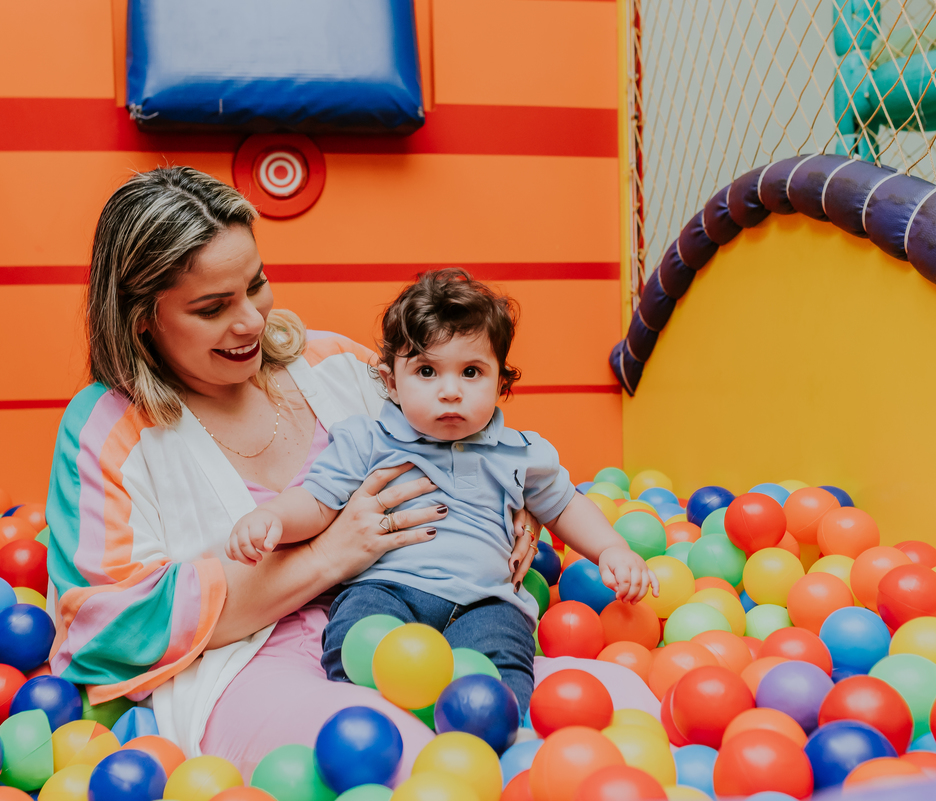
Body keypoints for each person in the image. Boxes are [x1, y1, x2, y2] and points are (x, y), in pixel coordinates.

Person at [45, 165, 658, 780]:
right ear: (141, 317)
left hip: (444, 629)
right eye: (212, 307)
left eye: (256, 285)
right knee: (409, 758)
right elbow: (102, 623)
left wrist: (518, 503)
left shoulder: (333, 362)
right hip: (258, 663)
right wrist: (326, 558)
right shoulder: (110, 427)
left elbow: (463, 419)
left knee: (623, 708)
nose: (252, 321)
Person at [226, 270, 658, 709]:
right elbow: (318, 501)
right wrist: (275, 517)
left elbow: (566, 506)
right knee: (358, 635)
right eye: (427, 371)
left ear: (501, 384)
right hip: (387, 588)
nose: (450, 391)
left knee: (501, 669)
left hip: (485, 602)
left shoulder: (522, 452)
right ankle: (373, 711)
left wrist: (611, 549)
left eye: (471, 372)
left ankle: (491, 726)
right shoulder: (366, 440)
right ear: (391, 382)